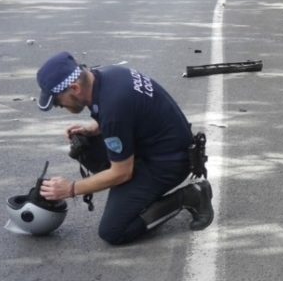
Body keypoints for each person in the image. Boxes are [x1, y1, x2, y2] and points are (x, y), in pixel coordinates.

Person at [34, 51, 213, 245]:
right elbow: (129, 114)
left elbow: (122, 173)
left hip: (170, 164)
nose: (59, 106)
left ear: (75, 88)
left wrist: (70, 189)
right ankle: (136, 197)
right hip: (159, 145)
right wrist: (93, 129)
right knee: (84, 147)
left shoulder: (114, 108)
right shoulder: (106, 76)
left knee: (113, 231)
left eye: (58, 100)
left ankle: (190, 196)